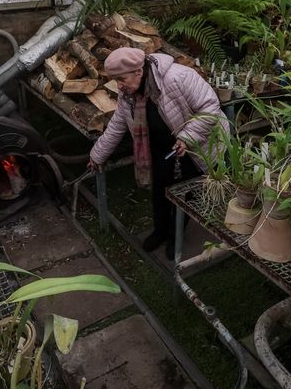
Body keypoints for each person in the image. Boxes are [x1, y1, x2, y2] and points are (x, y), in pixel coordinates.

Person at [87, 47, 229, 258]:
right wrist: (97, 155)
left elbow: (210, 109)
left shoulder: (178, 77)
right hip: (163, 147)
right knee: (161, 190)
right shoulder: (128, 94)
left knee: (186, 194)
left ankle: (175, 236)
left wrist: (187, 138)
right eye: (115, 80)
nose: (119, 85)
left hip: (198, 145)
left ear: (138, 71)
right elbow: (117, 125)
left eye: (121, 79)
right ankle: (160, 231)